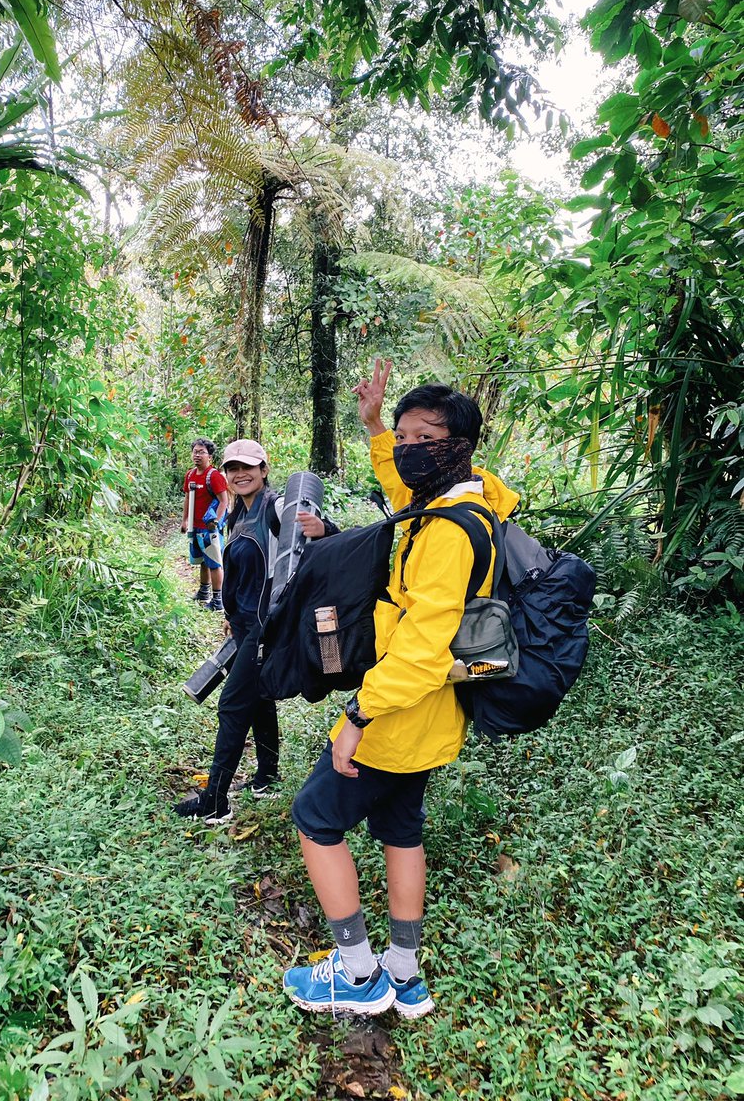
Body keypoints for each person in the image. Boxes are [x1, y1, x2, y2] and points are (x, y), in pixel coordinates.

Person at [283, 359, 520, 1018]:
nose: (411, 449)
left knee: (315, 817)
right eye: (405, 435)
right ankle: (405, 973)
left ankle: (357, 975)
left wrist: (359, 714)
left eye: (426, 439)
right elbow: (402, 488)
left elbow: (423, 646)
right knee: (400, 828)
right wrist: (373, 427)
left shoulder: (447, 533)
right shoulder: (464, 504)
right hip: (435, 718)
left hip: (399, 713)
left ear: (461, 446)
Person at [173, 438, 338, 824]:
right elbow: (245, 570)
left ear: (264, 470)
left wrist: (324, 528)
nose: (239, 473)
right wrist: (232, 613)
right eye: (232, 468)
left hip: (267, 626)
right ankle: (266, 775)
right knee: (258, 697)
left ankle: (215, 801)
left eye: (248, 466)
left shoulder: (276, 507)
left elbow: (318, 537)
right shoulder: (239, 514)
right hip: (245, 622)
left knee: (232, 703)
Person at [181, 439, 229, 611]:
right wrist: (185, 520)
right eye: (195, 451)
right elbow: (187, 498)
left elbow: (224, 501)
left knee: (214, 561)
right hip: (195, 527)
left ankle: (218, 601)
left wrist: (215, 521)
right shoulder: (190, 475)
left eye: (201, 452)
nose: (197, 455)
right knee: (202, 559)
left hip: (209, 527)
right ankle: (204, 592)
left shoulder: (214, 476)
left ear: (209, 455)